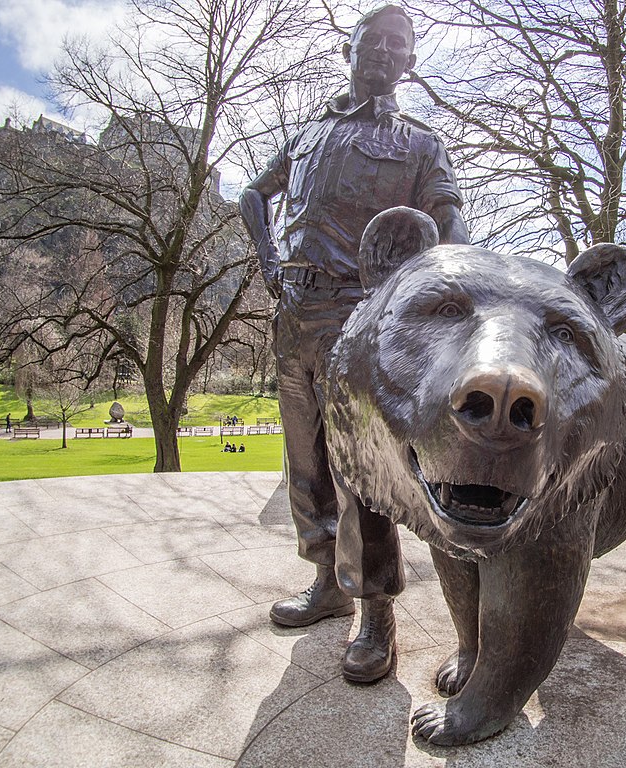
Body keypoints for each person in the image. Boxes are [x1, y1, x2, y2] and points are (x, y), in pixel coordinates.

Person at [239, 5, 468, 684]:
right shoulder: (312, 130)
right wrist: (267, 260)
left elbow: (449, 224)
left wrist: (452, 290)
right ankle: (326, 584)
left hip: (358, 315)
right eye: (374, 40)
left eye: (399, 45)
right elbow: (254, 193)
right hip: (293, 312)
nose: (384, 51)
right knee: (304, 464)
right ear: (351, 48)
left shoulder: (421, 144)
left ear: (410, 64)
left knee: (360, 472)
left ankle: (376, 617)